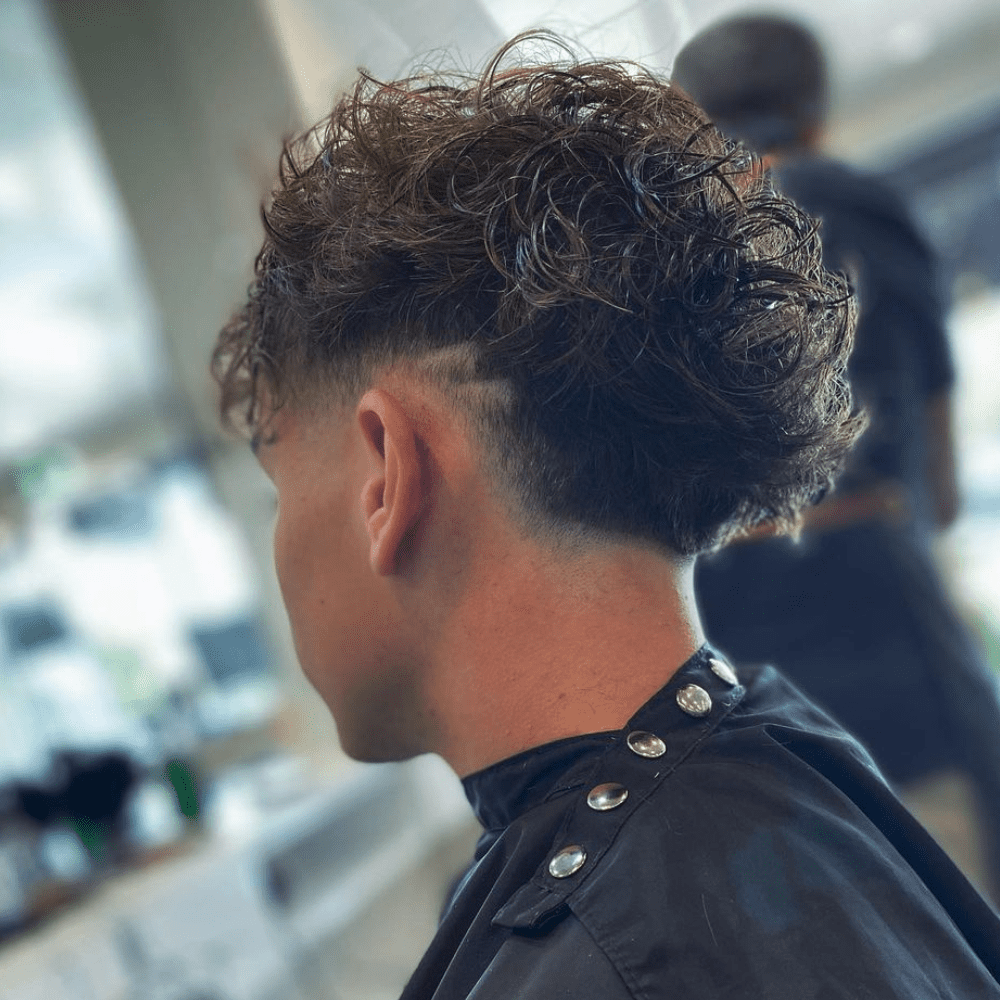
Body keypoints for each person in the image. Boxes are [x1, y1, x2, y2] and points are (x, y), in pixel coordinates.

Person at [212, 36, 1000, 998]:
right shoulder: (784, 764)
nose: (282, 539)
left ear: (385, 471)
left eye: (280, 487)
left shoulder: (626, 944)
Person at [674, 14, 1000, 904]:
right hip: (877, 606)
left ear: (690, 122)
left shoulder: (659, 255)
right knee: (955, 900)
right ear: (813, 110)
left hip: (723, 654)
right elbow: (933, 451)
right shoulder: (857, 202)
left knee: (815, 917)